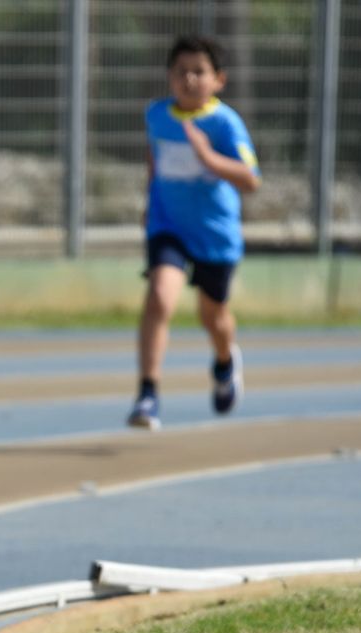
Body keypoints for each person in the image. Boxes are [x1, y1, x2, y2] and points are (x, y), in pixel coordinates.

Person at [128, 34, 261, 431]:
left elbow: (250, 180)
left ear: (218, 80)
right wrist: (150, 203)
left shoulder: (225, 123)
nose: (189, 80)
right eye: (181, 71)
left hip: (215, 235)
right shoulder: (156, 115)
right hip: (168, 226)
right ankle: (148, 393)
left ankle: (224, 362)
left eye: (198, 72)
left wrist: (207, 157)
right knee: (159, 298)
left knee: (213, 317)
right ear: (169, 77)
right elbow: (155, 160)